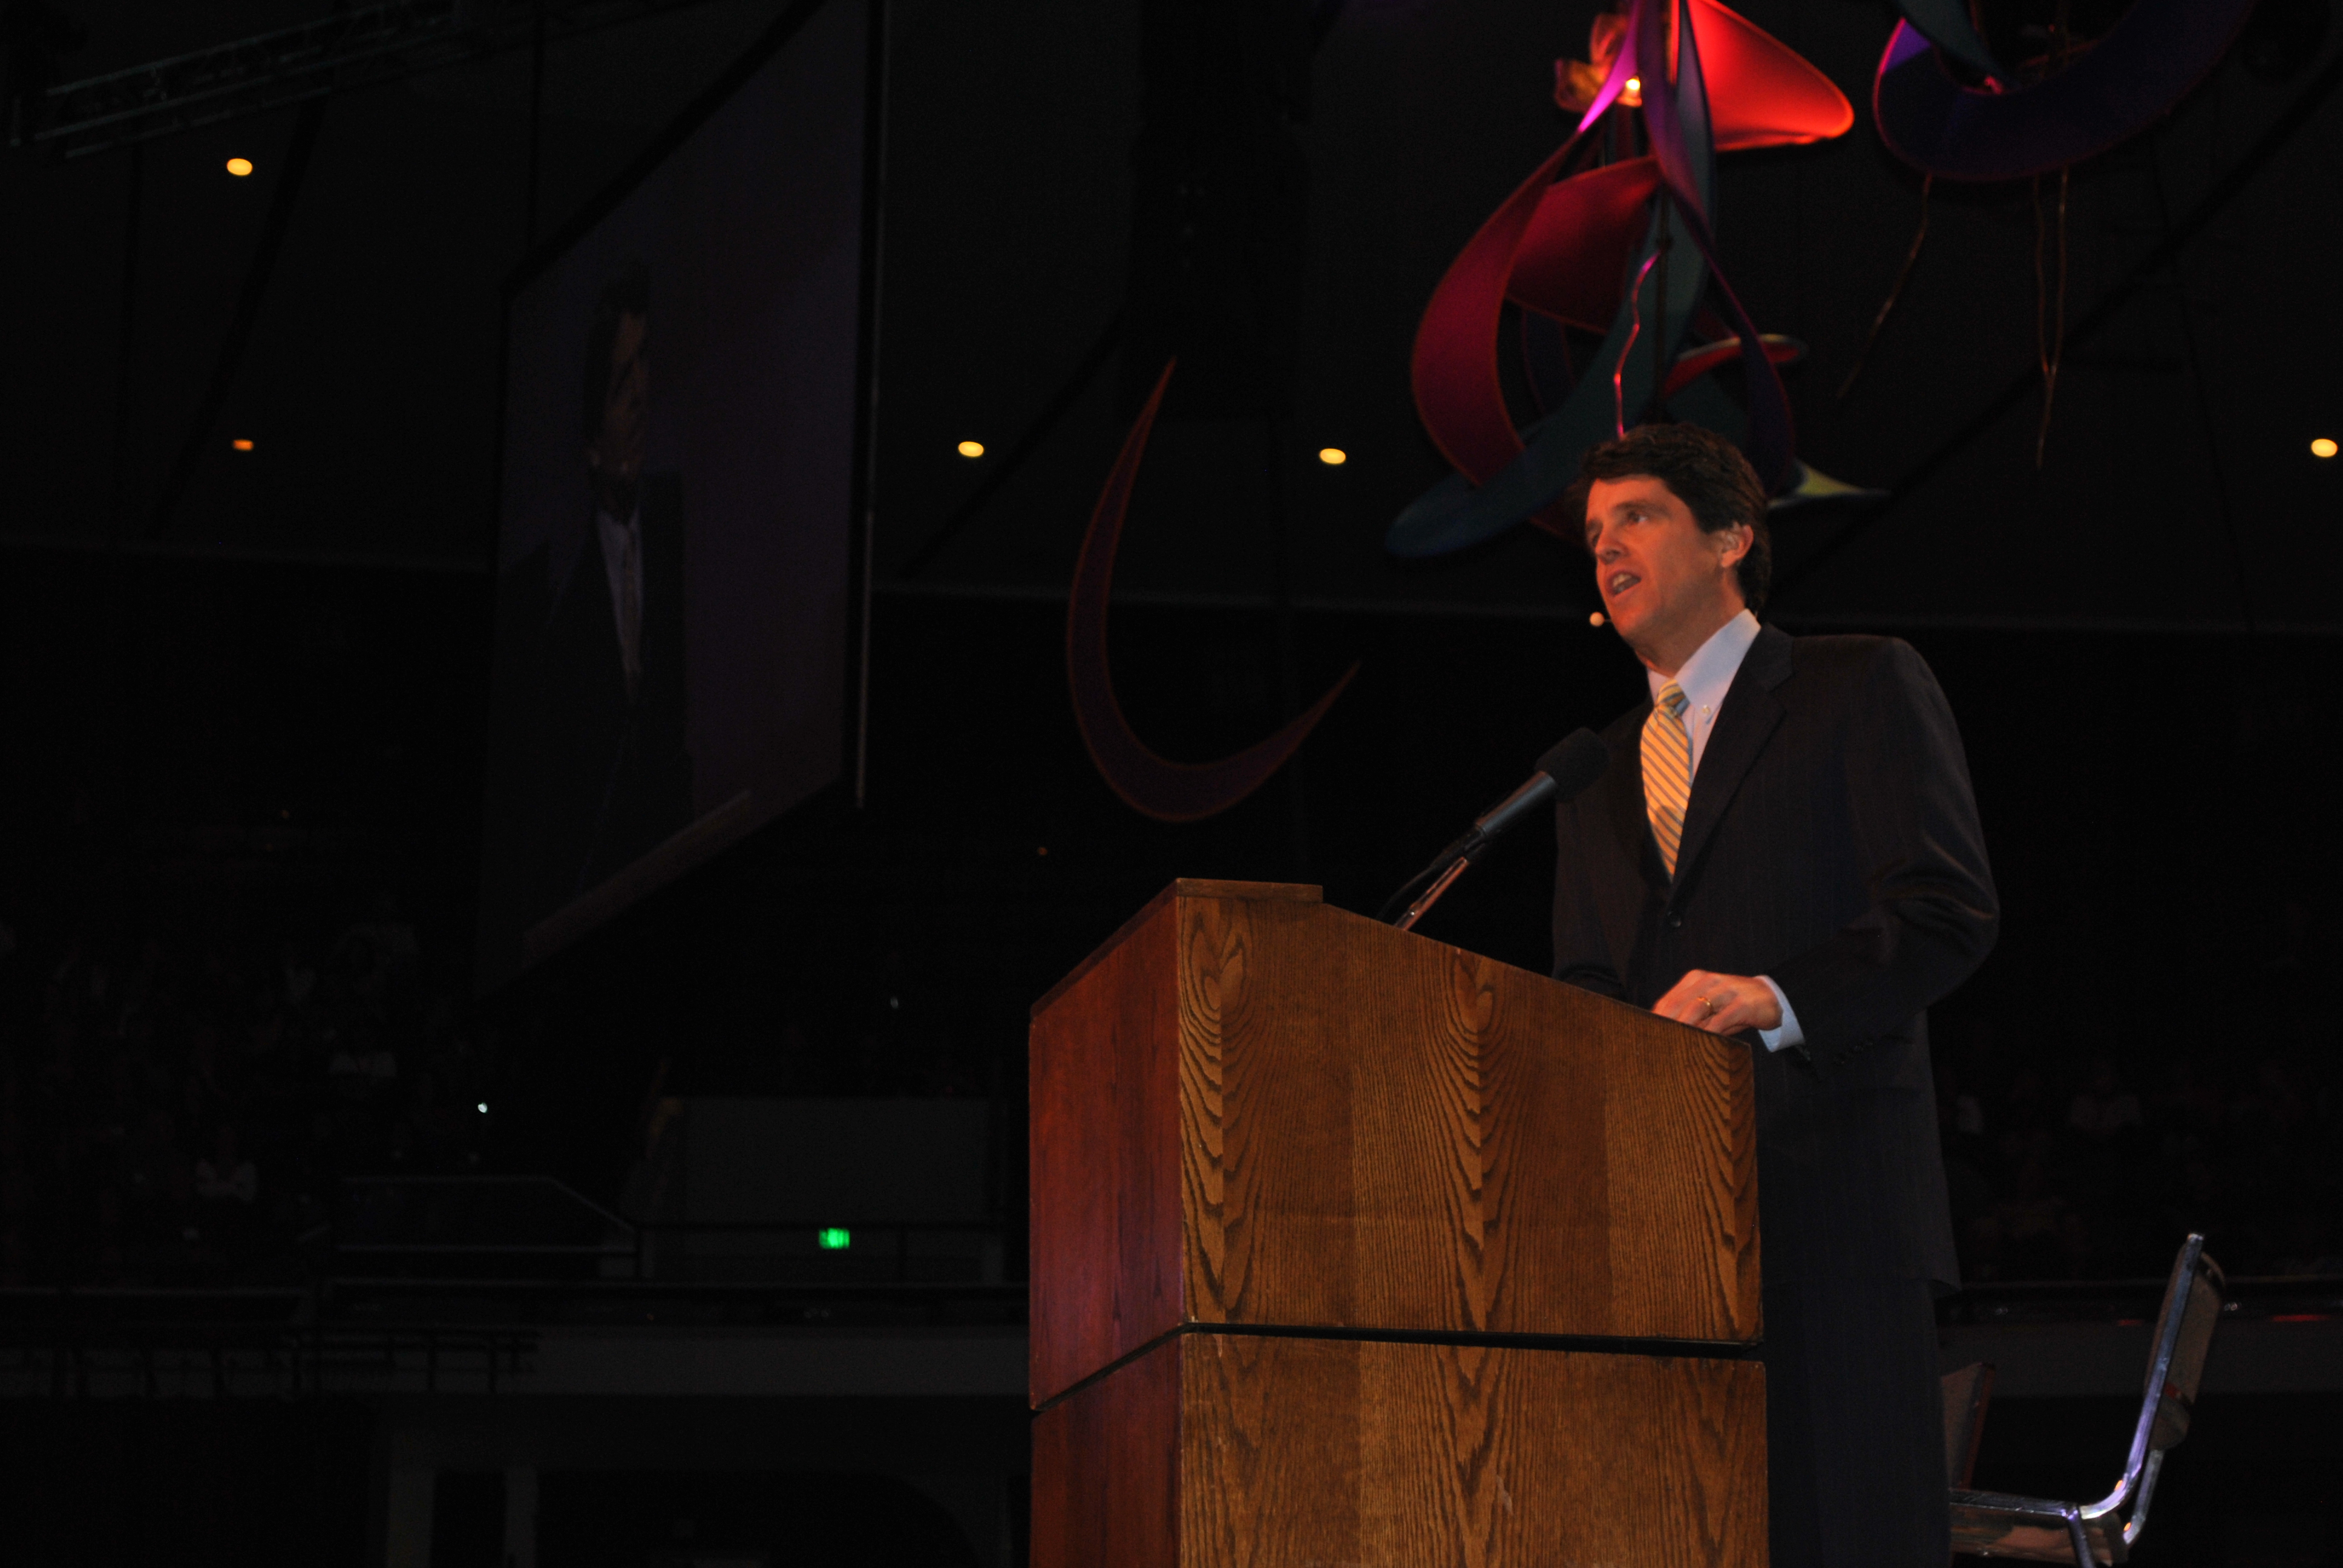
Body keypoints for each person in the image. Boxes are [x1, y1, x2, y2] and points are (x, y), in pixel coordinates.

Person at [1549, 423, 1998, 1566]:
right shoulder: (1592, 775)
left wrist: (1774, 993)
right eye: (1593, 532)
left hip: (1833, 1204)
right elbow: (1586, 989)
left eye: (1636, 516)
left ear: (1732, 536)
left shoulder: (1857, 682)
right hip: (1659, 1247)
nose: (1605, 548)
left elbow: (1945, 909)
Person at [531, 261, 695, 912]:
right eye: (620, 383)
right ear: (591, 437)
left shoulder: (671, 520)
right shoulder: (565, 610)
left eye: (643, 369)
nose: (640, 399)